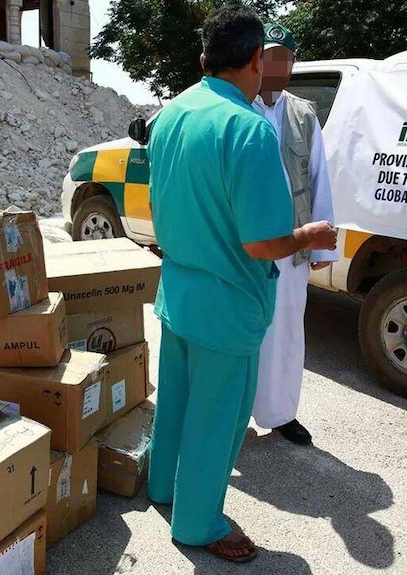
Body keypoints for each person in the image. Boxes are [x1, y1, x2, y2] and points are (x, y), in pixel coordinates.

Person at [145, 6, 338, 563]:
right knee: (218, 419)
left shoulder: (173, 113)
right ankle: (198, 522)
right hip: (228, 304)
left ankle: (163, 489)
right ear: (257, 59)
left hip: (178, 291)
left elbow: (161, 206)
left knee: (177, 402)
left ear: (204, 60)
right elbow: (263, 242)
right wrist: (309, 234)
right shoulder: (249, 129)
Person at [252, 23, 338, 445]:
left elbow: (319, 175)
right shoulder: (236, 105)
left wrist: (324, 246)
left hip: (293, 243)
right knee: (245, 328)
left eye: (284, 58)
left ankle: (280, 413)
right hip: (247, 244)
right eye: (269, 57)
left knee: (285, 330)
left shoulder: (303, 112)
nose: (277, 66)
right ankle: (235, 413)